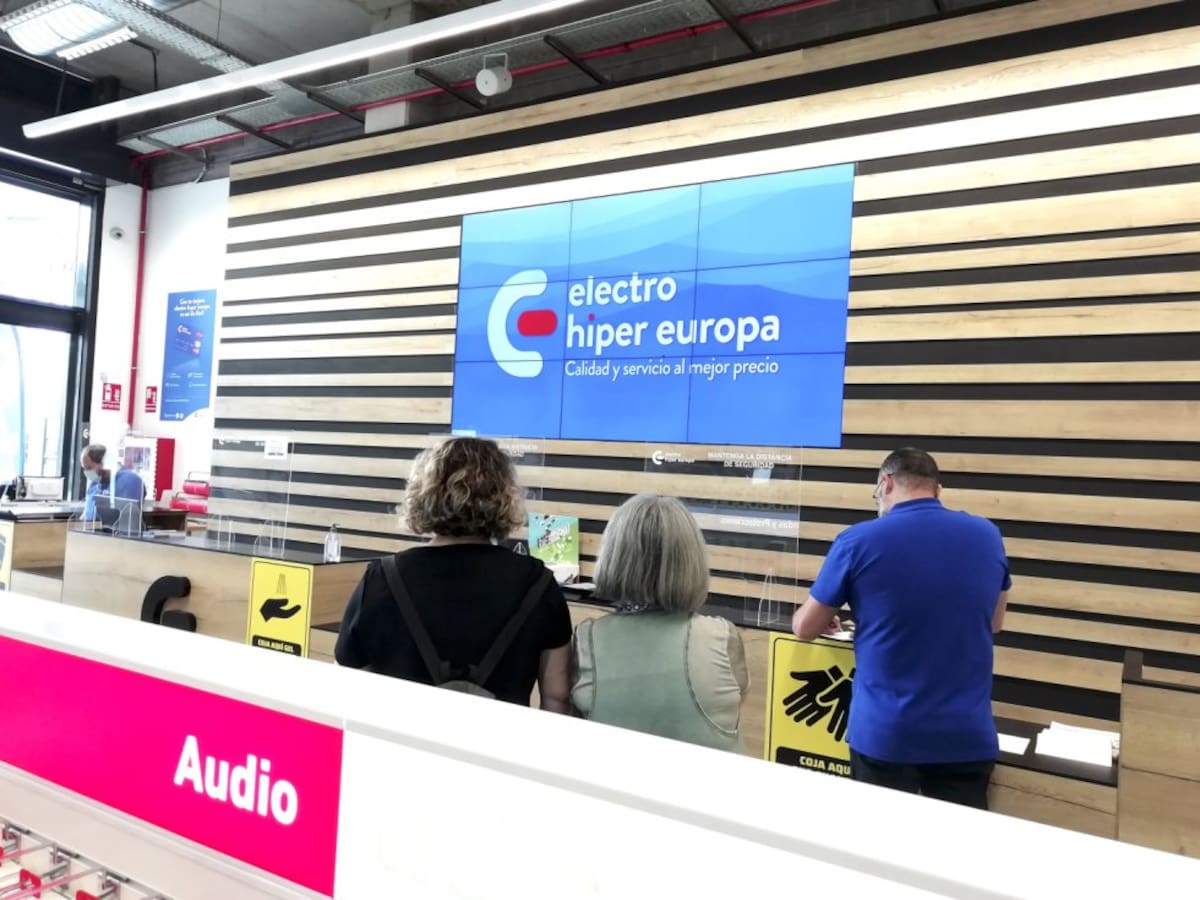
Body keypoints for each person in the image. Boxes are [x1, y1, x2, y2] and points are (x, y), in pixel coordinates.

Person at [792, 448, 1010, 810]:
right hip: (965, 735)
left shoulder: (858, 540)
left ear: (886, 483)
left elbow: (804, 627)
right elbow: (995, 623)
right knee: (956, 846)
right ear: (937, 489)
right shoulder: (988, 535)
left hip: (886, 736)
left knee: (879, 844)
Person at [335, 437, 572, 711]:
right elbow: (557, 695)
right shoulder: (538, 582)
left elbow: (347, 679)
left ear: (424, 494)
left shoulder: (382, 577)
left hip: (399, 734)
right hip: (501, 737)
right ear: (504, 496)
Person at [572, 494, 749, 751]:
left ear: (613, 556)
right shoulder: (721, 637)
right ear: (692, 560)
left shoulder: (587, 639)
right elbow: (736, 702)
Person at [80, 444, 146, 522]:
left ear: (104, 463)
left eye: (89, 468)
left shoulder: (129, 481)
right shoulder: (94, 485)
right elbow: (87, 514)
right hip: (90, 528)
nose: (87, 473)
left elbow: (126, 518)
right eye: (85, 469)